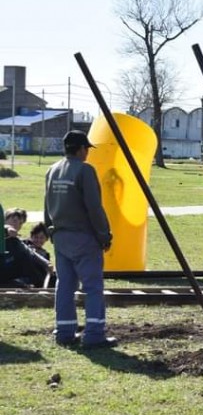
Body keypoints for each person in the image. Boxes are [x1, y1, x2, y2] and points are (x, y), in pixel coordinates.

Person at [44, 130, 116, 348]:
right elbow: (94, 207)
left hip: (61, 237)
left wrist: (51, 232)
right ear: (81, 149)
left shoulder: (52, 170)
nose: (87, 154)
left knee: (64, 286)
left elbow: (46, 206)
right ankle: (94, 334)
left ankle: (64, 332)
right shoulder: (85, 170)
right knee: (93, 287)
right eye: (87, 149)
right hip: (84, 238)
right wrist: (104, 235)